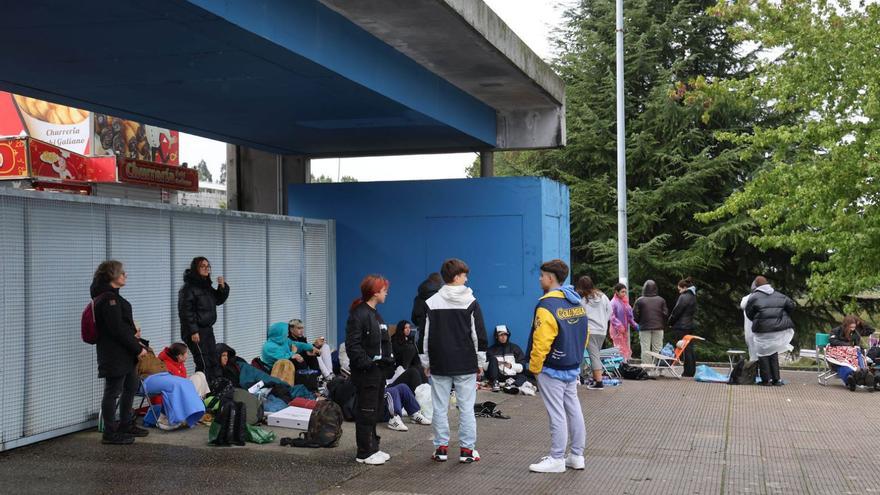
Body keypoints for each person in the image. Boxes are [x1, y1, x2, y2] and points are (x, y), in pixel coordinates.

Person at [423, 258, 488, 464]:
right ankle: (467, 451)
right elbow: (479, 336)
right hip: (465, 362)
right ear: (457, 277)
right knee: (466, 408)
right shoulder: (471, 302)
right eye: (464, 275)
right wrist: (481, 361)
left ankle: (441, 448)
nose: (467, 278)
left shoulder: (431, 302)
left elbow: (425, 336)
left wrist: (426, 362)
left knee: (440, 407)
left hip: (439, 362)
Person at [527, 259, 587, 473]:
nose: (540, 279)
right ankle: (577, 456)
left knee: (556, 413)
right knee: (573, 410)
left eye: (542, 276)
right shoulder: (575, 302)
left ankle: (557, 458)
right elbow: (583, 335)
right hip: (572, 364)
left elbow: (541, 341)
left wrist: (534, 367)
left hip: (551, 367)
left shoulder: (546, 305)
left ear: (550, 278)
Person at [91, 260, 148, 445]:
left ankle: (125, 423)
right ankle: (109, 432)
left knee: (130, 387)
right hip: (114, 355)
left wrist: (134, 336)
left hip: (125, 353)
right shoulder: (109, 299)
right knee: (113, 392)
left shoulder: (113, 297)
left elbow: (121, 327)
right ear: (112, 276)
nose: (125, 275)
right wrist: (138, 347)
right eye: (122, 273)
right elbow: (116, 329)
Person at [345, 275, 394, 466]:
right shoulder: (359, 314)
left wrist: (387, 364)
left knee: (374, 411)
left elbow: (383, 343)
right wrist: (368, 364)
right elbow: (353, 346)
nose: (386, 293)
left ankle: (373, 447)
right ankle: (364, 452)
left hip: (378, 372)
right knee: (366, 412)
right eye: (384, 290)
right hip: (366, 373)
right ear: (375, 292)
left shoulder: (375, 314)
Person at [178, 256, 229, 381]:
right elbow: (185, 312)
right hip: (195, 332)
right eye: (202, 266)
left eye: (208, 266)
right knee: (203, 362)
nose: (206, 269)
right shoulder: (188, 289)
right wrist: (193, 331)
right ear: (196, 268)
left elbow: (218, 300)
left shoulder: (206, 286)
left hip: (207, 329)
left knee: (213, 359)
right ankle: (202, 393)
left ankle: (215, 388)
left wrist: (222, 287)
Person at [745, 276, 795, 386]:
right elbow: (791, 306)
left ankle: (766, 380)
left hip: (762, 329)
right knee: (773, 352)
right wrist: (782, 315)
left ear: (756, 285)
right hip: (778, 330)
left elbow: (749, 313)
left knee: (762, 354)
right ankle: (776, 380)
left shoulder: (753, 297)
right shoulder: (780, 295)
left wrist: (758, 319)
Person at [576, 276, 612, 390]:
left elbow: (580, 316)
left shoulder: (582, 301)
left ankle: (599, 383)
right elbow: (610, 311)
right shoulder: (603, 297)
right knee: (596, 355)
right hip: (602, 331)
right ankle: (596, 378)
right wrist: (603, 322)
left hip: (590, 331)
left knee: (594, 356)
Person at [633, 280, 668, 365]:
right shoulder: (661, 300)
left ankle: (647, 368)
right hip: (659, 327)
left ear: (644, 289)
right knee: (657, 349)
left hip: (644, 327)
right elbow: (665, 314)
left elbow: (635, 315)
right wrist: (661, 322)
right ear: (656, 289)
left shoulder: (639, 300)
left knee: (645, 349)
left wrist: (640, 322)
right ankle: (656, 367)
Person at [668, 277, 698, 377]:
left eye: (680, 289)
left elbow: (676, 312)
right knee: (690, 348)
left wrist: (670, 322)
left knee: (684, 349)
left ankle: (687, 372)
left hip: (681, 326)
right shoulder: (693, 296)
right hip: (689, 325)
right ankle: (691, 370)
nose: (679, 292)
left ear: (684, 287)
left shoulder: (684, 297)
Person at [485, 325, 528, 392]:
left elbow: (522, 367)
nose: (503, 337)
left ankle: (512, 386)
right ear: (496, 336)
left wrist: (511, 366)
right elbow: (484, 367)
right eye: (501, 335)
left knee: (523, 377)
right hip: (497, 376)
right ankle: (496, 384)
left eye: (505, 335)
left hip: (511, 376)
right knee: (493, 360)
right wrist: (495, 364)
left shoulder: (515, 348)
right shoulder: (491, 350)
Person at [412, 272, 443, 352]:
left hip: (422, 334)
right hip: (438, 336)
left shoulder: (418, 298)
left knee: (423, 362)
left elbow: (414, 319)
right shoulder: (440, 297)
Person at [392, 320, 426, 384]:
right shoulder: (395, 339)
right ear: (401, 329)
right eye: (406, 328)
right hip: (400, 366)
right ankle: (405, 370)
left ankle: (426, 388)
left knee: (420, 368)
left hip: (411, 365)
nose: (408, 329)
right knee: (410, 348)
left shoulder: (410, 339)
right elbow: (397, 355)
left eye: (409, 327)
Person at [610, 283, 637, 361]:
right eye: (622, 292)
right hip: (616, 330)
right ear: (616, 292)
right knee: (619, 349)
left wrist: (634, 325)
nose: (624, 294)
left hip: (624, 330)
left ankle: (624, 364)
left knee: (624, 348)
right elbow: (612, 316)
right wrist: (619, 326)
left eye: (625, 292)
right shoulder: (613, 302)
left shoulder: (625, 302)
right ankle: (620, 366)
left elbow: (629, 316)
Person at [741, 283, 758, 362]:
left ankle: (753, 372)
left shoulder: (746, 299)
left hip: (749, 333)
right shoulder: (760, 299)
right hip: (757, 332)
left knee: (753, 356)